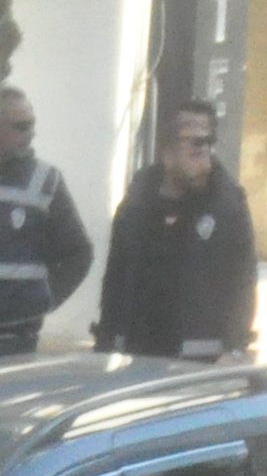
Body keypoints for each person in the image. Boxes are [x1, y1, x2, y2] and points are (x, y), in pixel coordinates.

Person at [97, 100, 257, 360]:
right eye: (194, 144)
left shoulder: (227, 205)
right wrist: (106, 341)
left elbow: (243, 282)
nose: (205, 157)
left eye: (208, 142)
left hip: (200, 360)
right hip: (138, 353)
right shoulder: (138, 201)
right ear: (168, 151)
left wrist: (234, 347)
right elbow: (116, 276)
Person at [0, 88, 96, 358]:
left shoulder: (45, 180)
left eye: (32, 125)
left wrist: (45, 299)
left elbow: (79, 253)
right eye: (22, 127)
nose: (31, 134)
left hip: (14, 332)